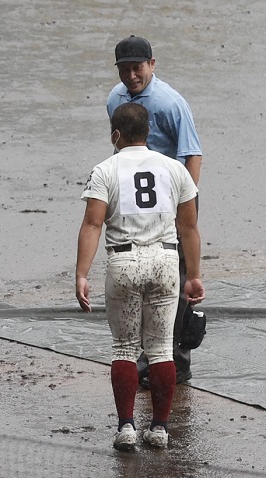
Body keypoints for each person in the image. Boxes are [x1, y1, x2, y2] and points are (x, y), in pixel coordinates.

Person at [76, 103, 205, 449]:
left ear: (115, 134)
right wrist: (193, 275)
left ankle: (127, 427)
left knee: (124, 348)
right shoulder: (175, 169)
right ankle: (160, 429)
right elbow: (189, 227)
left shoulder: (105, 169)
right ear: (148, 132)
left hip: (124, 263)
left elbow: (92, 223)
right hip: (164, 261)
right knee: (162, 349)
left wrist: (81, 274)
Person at [107, 35, 204, 386]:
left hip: (174, 199)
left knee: (173, 280)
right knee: (143, 275)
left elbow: (192, 154)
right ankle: (149, 356)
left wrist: (185, 206)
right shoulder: (115, 99)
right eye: (125, 69)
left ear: (152, 64)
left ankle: (177, 361)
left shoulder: (169, 102)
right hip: (138, 204)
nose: (132, 75)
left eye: (138, 67)